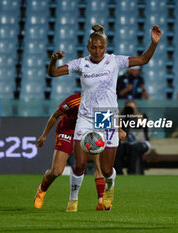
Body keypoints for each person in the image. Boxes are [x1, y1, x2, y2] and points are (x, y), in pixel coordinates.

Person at [47, 24, 162, 211]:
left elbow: (143, 59)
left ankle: (110, 187)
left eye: (101, 47)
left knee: (107, 169)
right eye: (93, 47)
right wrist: (53, 61)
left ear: (106, 47)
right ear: (88, 47)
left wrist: (154, 43)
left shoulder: (114, 61)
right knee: (80, 163)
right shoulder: (81, 63)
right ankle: (73, 200)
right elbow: (52, 73)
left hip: (106, 116)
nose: (97, 50)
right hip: (85, 117)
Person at [33, 93, 107, 211]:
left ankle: (101, 201)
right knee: (56, 171)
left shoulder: (102, 100)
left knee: (100, 166)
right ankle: (42, 190)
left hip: (87, 133)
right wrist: (44, 135)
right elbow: (55, 116)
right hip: (67, 132)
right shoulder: (74, 100)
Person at [114, 100, 150, 175]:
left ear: (136, 108)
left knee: (134, 148)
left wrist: (135, 114)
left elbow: (143, 124)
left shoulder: (142, 116)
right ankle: (118, 173)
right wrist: (122, 115)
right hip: (126, 143)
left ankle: (132, 173)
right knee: (117, 149)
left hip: (141, 143)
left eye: (132, 108)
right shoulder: (123, 118)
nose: (130, 110)